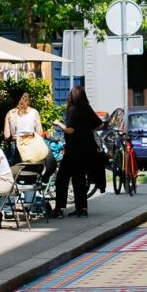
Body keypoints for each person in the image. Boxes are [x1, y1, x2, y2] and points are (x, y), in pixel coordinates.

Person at [54, 85, 102, 218]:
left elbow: (70, 130)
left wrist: (58, 123)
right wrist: (86, 130)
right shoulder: (87, 108)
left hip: (74, 150)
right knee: (79, 179)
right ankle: (82, 208)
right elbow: (99, 124)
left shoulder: (73, 109)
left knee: (62, 177)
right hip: (88, 150)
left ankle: (59, 208)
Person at [3, 92, 47, 164]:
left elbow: (6, 135)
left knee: (17, 170)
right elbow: (40, 133)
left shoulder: (10, 113)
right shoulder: (34, 112)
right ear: (28, 100)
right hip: (31, 144)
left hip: (17, 144)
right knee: (32, 170)